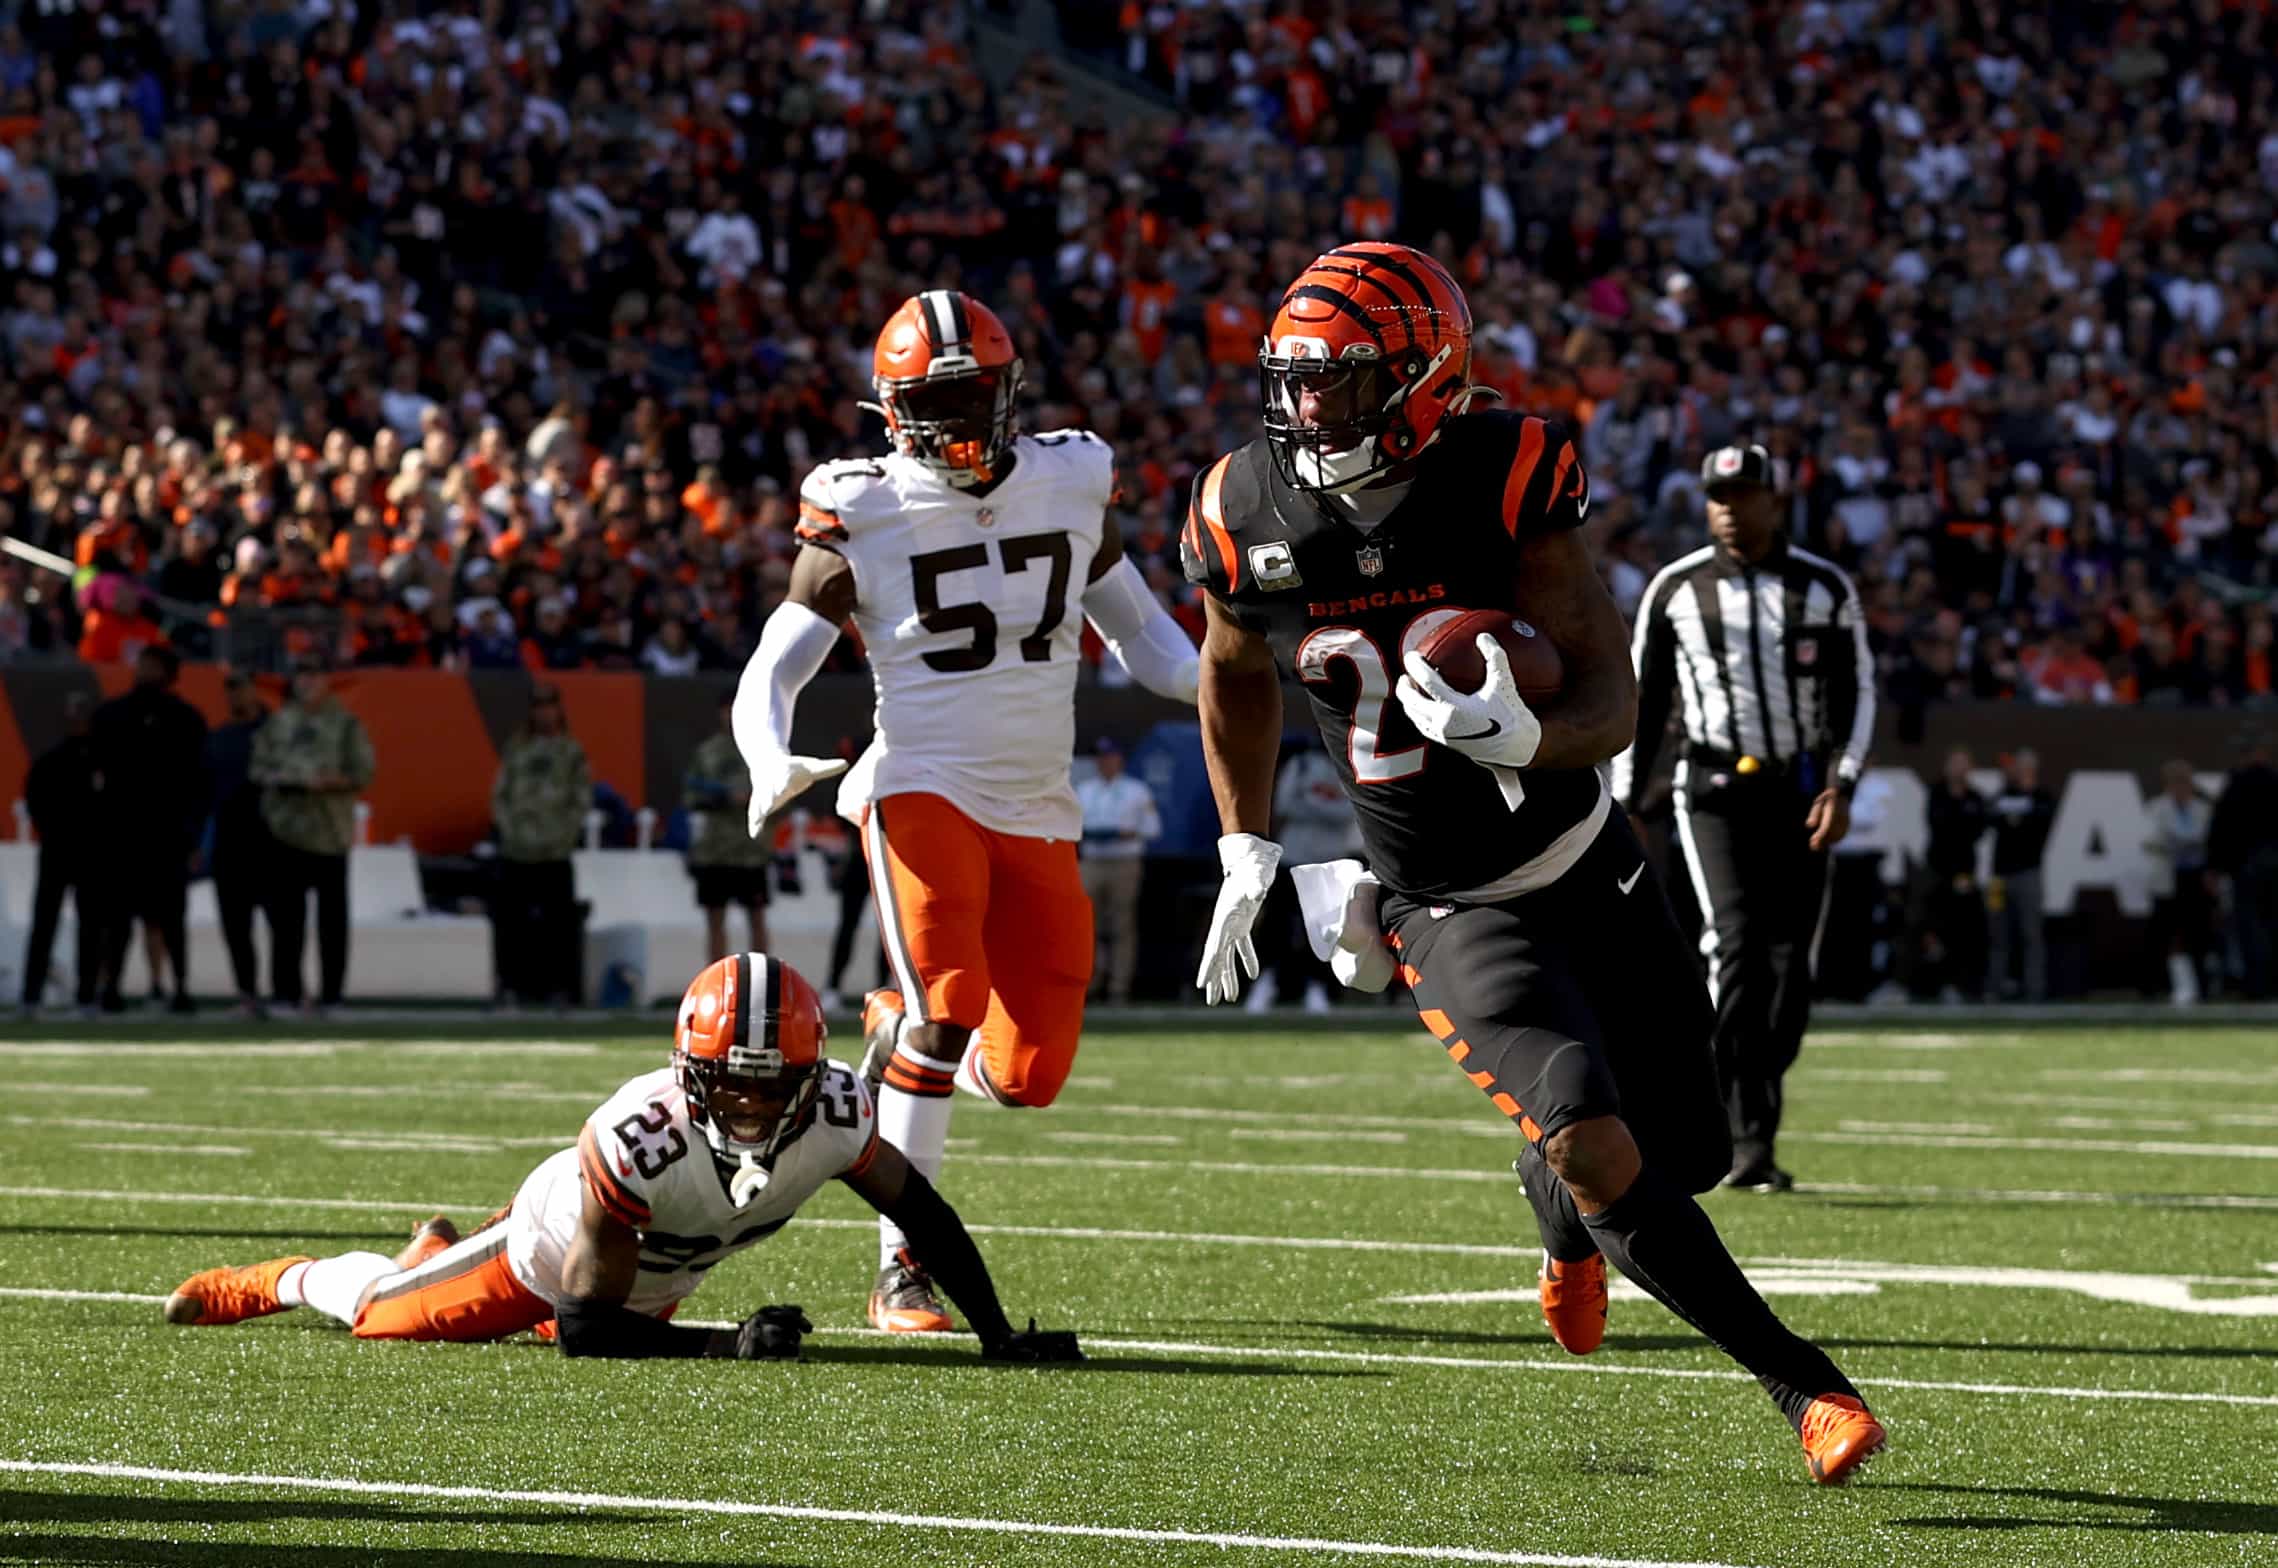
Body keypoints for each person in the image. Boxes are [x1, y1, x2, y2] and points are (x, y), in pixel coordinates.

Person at [1183, 241, 1883, 1484]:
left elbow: (1611, 698)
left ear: (1423, 380)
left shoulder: (1507, 470)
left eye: (1338, 383)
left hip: (1583, 853)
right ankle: (1807, 1388)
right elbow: (1232, 671)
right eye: (1291, 382)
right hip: (1442, 900)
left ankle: (1559, 1213)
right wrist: (1246, 836)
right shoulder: (1242, 506)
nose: (1305, 411)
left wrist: (1529, 736)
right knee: (1592, 1136)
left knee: (1691, 1149)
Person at [731, 290, 1201, 1335]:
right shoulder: (862, 504)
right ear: (890, 408)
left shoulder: (1073, 478)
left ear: (1008, 391)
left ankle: (893, 1033)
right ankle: (904, 1263)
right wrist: (766, 753)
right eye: (935, 397)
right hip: (919, 779)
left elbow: (1146, 641)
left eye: (972, 392)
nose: (954, 416)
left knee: (1027, 1076)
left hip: (1039, 804)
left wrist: (1234, 676)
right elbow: (779, 659)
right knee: (950, 997)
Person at [162, 954, 1080, 1365]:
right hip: (548, 1259)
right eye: (733, 1083)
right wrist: (729, 1345)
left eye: (774, 1084)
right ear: (690, 1072)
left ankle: (429, 1247)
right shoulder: (637, 1140)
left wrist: (999, 1333)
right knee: (374, 1317)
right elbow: (583, 1330)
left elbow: (923, 1211)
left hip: (645, 1273)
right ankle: (279, 1279)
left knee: (631, 1304)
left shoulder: (838, 1111)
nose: (757, 1104)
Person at [1611, 443, 1875, 1191]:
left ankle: (1751, 1106)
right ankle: (1734, 1129)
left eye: (1743, 494)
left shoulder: (1823, 588)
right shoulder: (1675, 588)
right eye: (1717, 496)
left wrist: (1843, 784)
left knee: (1792, 969)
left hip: (1799, 796)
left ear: (1774, 501)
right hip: (1714, 789)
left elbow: (1857, 691)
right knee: (1736, 947)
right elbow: (1644, 698)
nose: (1729, 508)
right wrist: (1632, 802)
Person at [88, 645, 210, 1013]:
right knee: (116, 919)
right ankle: (111, 988)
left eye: (154, 667)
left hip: (168, 835)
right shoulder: (110, 715)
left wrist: (192, 836)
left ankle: (180, 987)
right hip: (121, 835)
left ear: (170, 674)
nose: (145, 672)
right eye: (142, 665)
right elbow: (96, 776)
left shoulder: (187, 720)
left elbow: (197, 784)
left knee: (171, 918)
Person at [253, 662, 377, 1013]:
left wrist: (330, 782)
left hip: (329, 832)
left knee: (332, 922)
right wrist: (283, 779)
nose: (307, 681)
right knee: (286, 920)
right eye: (302, 674)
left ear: (327, 682)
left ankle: (332, 994)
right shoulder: (279, 723)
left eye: (315, 674)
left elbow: (363, 771)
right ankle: (285, 992)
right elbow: (258, 768)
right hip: (286, 831)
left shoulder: (346, 725)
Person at [490, 683, 591, 1008]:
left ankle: (560, 989)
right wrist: (509, 831)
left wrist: (564, 834)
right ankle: (512, 987)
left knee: (558, 926)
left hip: (555, 851)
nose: (544, 712)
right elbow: (500, 796)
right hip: (517, 851)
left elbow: (580, 799)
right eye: (538, 706)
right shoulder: (517, 750)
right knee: (512, 925)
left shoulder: (571, 752)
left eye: (550, 706)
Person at [1247, 735, 1355, 1014]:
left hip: (1330, 861)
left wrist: (1310, 804)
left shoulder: (1349, 766)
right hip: (1292, 858)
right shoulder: (1301, 765)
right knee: (1277, 925)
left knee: (1325, 928)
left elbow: (1350, 811)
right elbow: (1283, 805)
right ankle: (1266, 983)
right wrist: (1323, 807)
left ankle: (1318, 988)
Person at [18, 693, 104, 1015]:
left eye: (82, 714)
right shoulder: (50, 760)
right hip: (56, 850)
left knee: (91, 926)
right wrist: (51, 829)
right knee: (44, 923)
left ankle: (86, 995)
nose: (77, 720)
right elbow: (33, 798)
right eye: (72, 714)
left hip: (91, 854)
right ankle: (31, 995)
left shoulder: (102, 759)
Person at [204, 671, 274, 1017]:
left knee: (282, 922)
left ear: (255, 690)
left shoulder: (277, 733)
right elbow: (202, 794)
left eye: (241, 689)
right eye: (229, 691)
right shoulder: (219, 738)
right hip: (230, 845)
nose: (235, 697)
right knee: (235, 924)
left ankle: (288, 992)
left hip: (272, 844)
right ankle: (248, 993)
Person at [1074, 737, 1160, 1005]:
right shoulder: (1084, 790)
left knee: (1122, 925)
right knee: (1086, 924)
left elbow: (1153, 828)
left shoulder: (1137, 790)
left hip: (1124, 861)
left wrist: (1126, 833)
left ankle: (1119, 986)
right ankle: (1090, 982)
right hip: (1092, 860)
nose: (1106, 762)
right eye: (1101, 758)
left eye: (1110, 757)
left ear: (1120, 760)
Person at [684, 691, 769, 960]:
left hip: (751, 848)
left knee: (756, 916)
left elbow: (783, 794)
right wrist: (721, 797)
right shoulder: (707, 752)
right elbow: (690, 796)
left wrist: (754, 798)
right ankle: (717, 983)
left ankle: (763, 981)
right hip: (715, 849)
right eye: (727, 709)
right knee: (715, 918)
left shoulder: (764, 749)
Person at [1913, 747, 1991, 1002]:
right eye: (1954, 763)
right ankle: (1928, 986)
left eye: (1963, 763)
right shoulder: (1936, 793)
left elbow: (1978, 831)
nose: (1958, 768)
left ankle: (1962, 985)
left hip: (1964, 874)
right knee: (1931, 928)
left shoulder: (1976, 797)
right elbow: (1940, 827)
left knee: (1964, 931)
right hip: (1938, 872)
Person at [2207, 736, 2278, 999]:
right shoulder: (2274, 782)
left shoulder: (2237, 784)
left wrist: (2214, 866)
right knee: (2272, 925)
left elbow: (2222, 827)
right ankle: (2271, 985)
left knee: (2250, 927)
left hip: (2246, 867)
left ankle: (2256, 987)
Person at [1985, 749, 2056, 1002]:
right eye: (2018, 767)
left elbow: (2041, 823)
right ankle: (1994, 988)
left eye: (2025, 767)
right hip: (1998, 876)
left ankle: (2034, 989)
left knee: (2031, 934)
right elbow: (1989, 816)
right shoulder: (2004, 794)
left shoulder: (2043, 797)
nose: (2020, 772)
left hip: (2028, 874)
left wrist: (2025, 797)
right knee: (1997, 935)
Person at [2144, 758, 2215, 1005]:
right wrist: (2171, 843)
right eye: (2176, 782)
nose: (2181, 786)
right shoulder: (2156, 807)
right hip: (2168, 877)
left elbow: (2210, 842)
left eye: (2185, 781)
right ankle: (2153, 987)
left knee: (2198, 935)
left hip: (2195, 879)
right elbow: (2149, 841)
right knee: (2161, 934)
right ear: (2168, 784)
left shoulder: (2203, 809)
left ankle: (2201, 988)